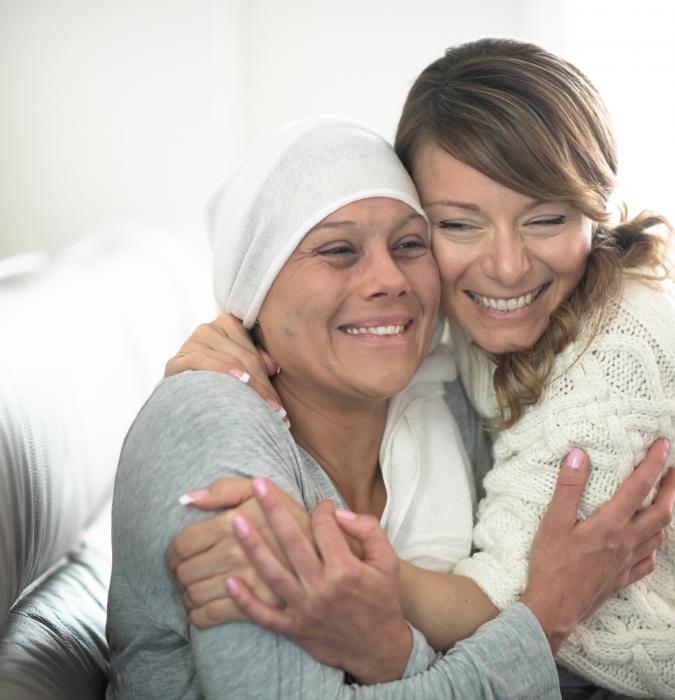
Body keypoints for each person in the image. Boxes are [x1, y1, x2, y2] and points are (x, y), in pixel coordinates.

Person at [164, 39, 675, 698]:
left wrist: (310, 546)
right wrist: (236, 331)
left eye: (546, 219)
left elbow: (503, 608)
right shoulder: (467, 318)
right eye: (458, 226)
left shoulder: (616, 352)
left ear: (594, 210)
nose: (506, 267)